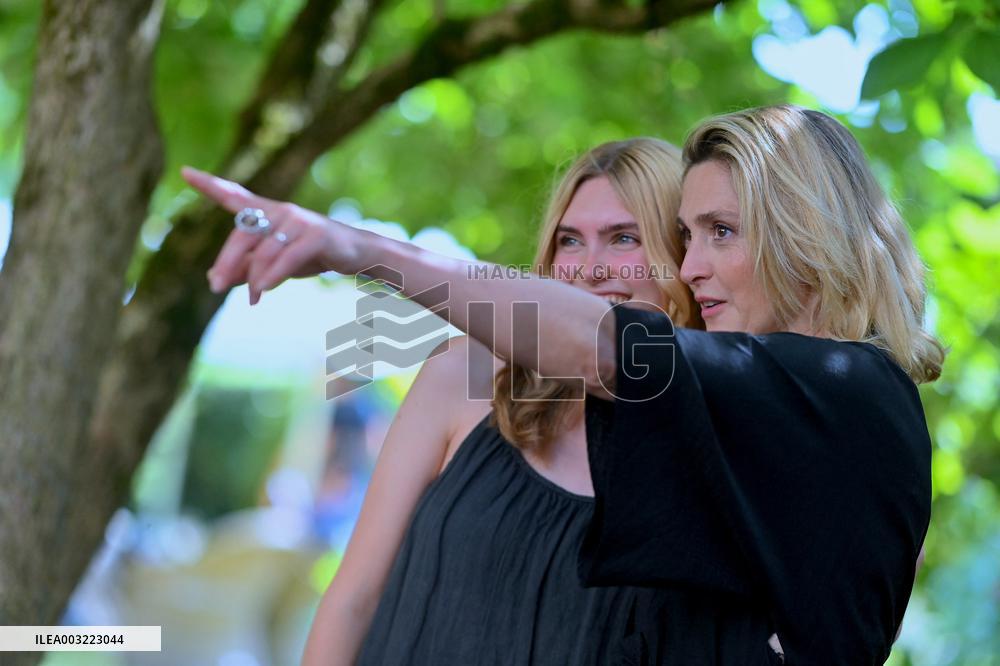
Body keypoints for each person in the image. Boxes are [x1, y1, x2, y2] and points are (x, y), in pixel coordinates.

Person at [185, 104, 943, 665]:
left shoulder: (847, 395)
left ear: (801, 232)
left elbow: (603, 343)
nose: (691, 266)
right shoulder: (480, 379)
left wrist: (354, 247)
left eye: (720, 232)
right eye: (689, 235)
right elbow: (355, 595)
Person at [299, 138, 694, 664]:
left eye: (624, 238)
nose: (589, 267)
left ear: (681, 254)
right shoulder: (465, 374)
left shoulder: (704, 447)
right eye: (570, 241)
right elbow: (353, 599)